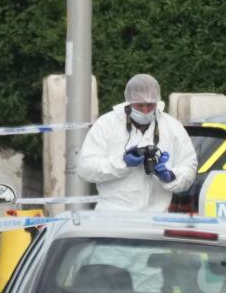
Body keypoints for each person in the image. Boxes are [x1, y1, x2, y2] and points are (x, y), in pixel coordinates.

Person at [76, 74, 198, 212]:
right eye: (140, 105)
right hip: (112, 217)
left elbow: (189, 167)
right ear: (129, 102)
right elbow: (85, 168)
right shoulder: (106, 124)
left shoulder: (172, 127)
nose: (145, 111)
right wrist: (122, 163)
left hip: (156, 218)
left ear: (157, 101)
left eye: (150, 105)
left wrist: (171, 176)